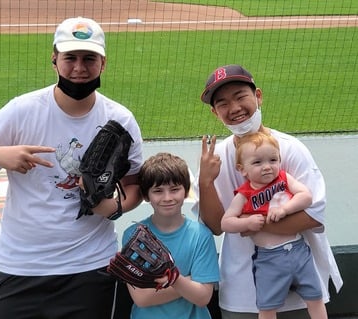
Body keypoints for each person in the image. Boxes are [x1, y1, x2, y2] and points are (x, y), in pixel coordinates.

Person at [0, 17, 143, 319]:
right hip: (19, 266)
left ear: (103, 63)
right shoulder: (21, 111)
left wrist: (115, 207)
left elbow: (135, 184)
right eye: (70, 58)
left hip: (91, 268)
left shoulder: (121, 118)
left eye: (89, 58)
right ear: (54, 59)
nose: (79, 68)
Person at [193, 64, 343, 319]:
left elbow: (313, 215)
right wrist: (206, 182)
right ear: (214, 112)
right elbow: (216, 226)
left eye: (241, 97)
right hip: (241, 289)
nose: (235, 108)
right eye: (223, 103)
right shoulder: (216, 158)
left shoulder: (290, 149)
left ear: (258, 96)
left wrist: (250, 223)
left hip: (300, 288)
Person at [221, 132, 327, 319]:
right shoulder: (244, 194)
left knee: (315, 297)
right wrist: (247, 222)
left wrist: (285, 209)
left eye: (273, 160)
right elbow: (226, 223)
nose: (267, 167)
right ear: (242, 169)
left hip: (298, 249)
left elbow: (306, 196)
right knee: (267, 306)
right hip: (269, 257)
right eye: (257, 162)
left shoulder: (284, 179)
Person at [122, 152, 220, 319]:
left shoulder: (201, 235)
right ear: (146, 195)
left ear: (186, 191)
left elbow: (203, 297)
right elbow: (142, 298)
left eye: (174, 190)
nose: (167, 198)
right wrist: (189, 282)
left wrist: (174, 279)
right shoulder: (133, 235)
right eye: (158, 191)